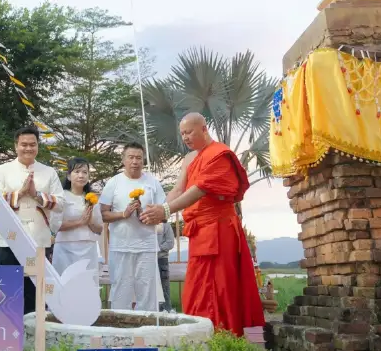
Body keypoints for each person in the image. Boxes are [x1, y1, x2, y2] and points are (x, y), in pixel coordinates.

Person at [140, 113, 264, 336]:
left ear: (204, 129)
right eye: (182, 134)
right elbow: (179, 190)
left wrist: (165, 211)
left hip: (220, 229)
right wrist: (157, 212)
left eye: (189, 132)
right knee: (196, 288)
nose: (185, 137)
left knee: (221, 287)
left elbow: (200, 189)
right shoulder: (189, 159)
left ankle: (225, 336)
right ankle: (199, 336)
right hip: (199, 233)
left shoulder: (220, 154)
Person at [0, 127, 64, 314]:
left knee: (35, 290)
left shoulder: (48, 172)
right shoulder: (3, 170)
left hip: (38, 240)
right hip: (9, 240)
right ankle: (7, 334)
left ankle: (34, 336)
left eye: (32, 144)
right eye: (24, 144)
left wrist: (36, 195)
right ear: (16, 146)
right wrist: (20, 193)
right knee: (8, 289)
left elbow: (61, 203)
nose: (28, 148)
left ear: (38, 146)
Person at [100, 142, 165, 311]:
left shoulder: (152, 183)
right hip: (120, 246)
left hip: (147, 247)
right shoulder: (113, 183)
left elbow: (164, 212)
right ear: (124, 160)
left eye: (138, 158)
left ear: (143, 160)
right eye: (131, 157)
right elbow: (103, 214)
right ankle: (120, 333)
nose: (135, 161)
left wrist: (152, 217)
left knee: (148, 291)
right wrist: (123, 214)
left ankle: (147, 331)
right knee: (121, 290)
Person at [53, 157, 104, 276]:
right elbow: (55, 225)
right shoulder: (61, 197)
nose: (81, 175)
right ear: (69, 176)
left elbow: (99, 229)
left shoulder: (92, 198)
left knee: (86, 285)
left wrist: (90, 221)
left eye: (85, 172)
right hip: (65, 248)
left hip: (88, 248)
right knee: (65, 285)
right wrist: (80, 222)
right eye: (77, 172)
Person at [157, 221, 175, 311]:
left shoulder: (166, 225)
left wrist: (155, 249)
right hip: (147, 260)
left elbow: (170, 243)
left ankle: (166, 313)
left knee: (164, 290)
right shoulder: (145, 223)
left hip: (161, 260)